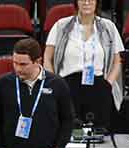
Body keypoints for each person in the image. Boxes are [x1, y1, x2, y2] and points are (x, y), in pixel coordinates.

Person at [0, 38, 74, 148]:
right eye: (15, 63)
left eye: (23, 64)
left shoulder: (57, 84)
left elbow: (67, 119)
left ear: (37, 61)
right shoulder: (2, 84)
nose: (18, 68)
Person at [42, 0, 123, 132]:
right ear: (76, 2)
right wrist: (55, 82)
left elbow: (117, 61)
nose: (87, 2)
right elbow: (47, 58)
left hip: (99, 86)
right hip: (68, 85)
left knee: (100, 132)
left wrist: (108, 83)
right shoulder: (61, 26)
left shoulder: (109, 27)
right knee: (70, 131)